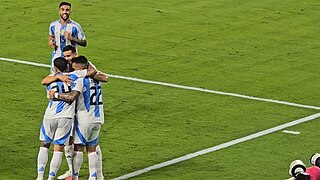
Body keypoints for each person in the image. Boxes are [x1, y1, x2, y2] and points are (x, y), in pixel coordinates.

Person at [42, 45, 107, 180]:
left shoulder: (81, 72)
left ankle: (94, 175)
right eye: (65, 56)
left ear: (75, 55)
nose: (67, 59)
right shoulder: (66, 69)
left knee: (84, 146)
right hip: (81, 114)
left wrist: (56, 95)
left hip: (81, 114)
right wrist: (59, 77)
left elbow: (102, 77)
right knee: (74, 143)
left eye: (69, 56)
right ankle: (73, 172)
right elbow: (46, 80)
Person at [36, 57, 79, 180]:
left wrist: (56, 76)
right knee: (58, 148)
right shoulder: (74, 78)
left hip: (49, 116)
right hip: (66, 117)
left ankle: (40, 177)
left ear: (55, 68)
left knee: (44, 145)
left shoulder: (50, 80)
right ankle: (50, 178)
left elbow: (43, 81)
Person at [49, 2, 87, 72]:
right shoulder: (53, 25)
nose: (65, 12)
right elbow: (51, 36)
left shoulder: (75, 26)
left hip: (71, 59)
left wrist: (71, 38)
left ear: (70, 12)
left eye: (67, 10)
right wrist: (51, 42)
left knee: (70, 80)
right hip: (57, 57)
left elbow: (84, 43)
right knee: (55, 79)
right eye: (62, 10)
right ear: (59, 11)